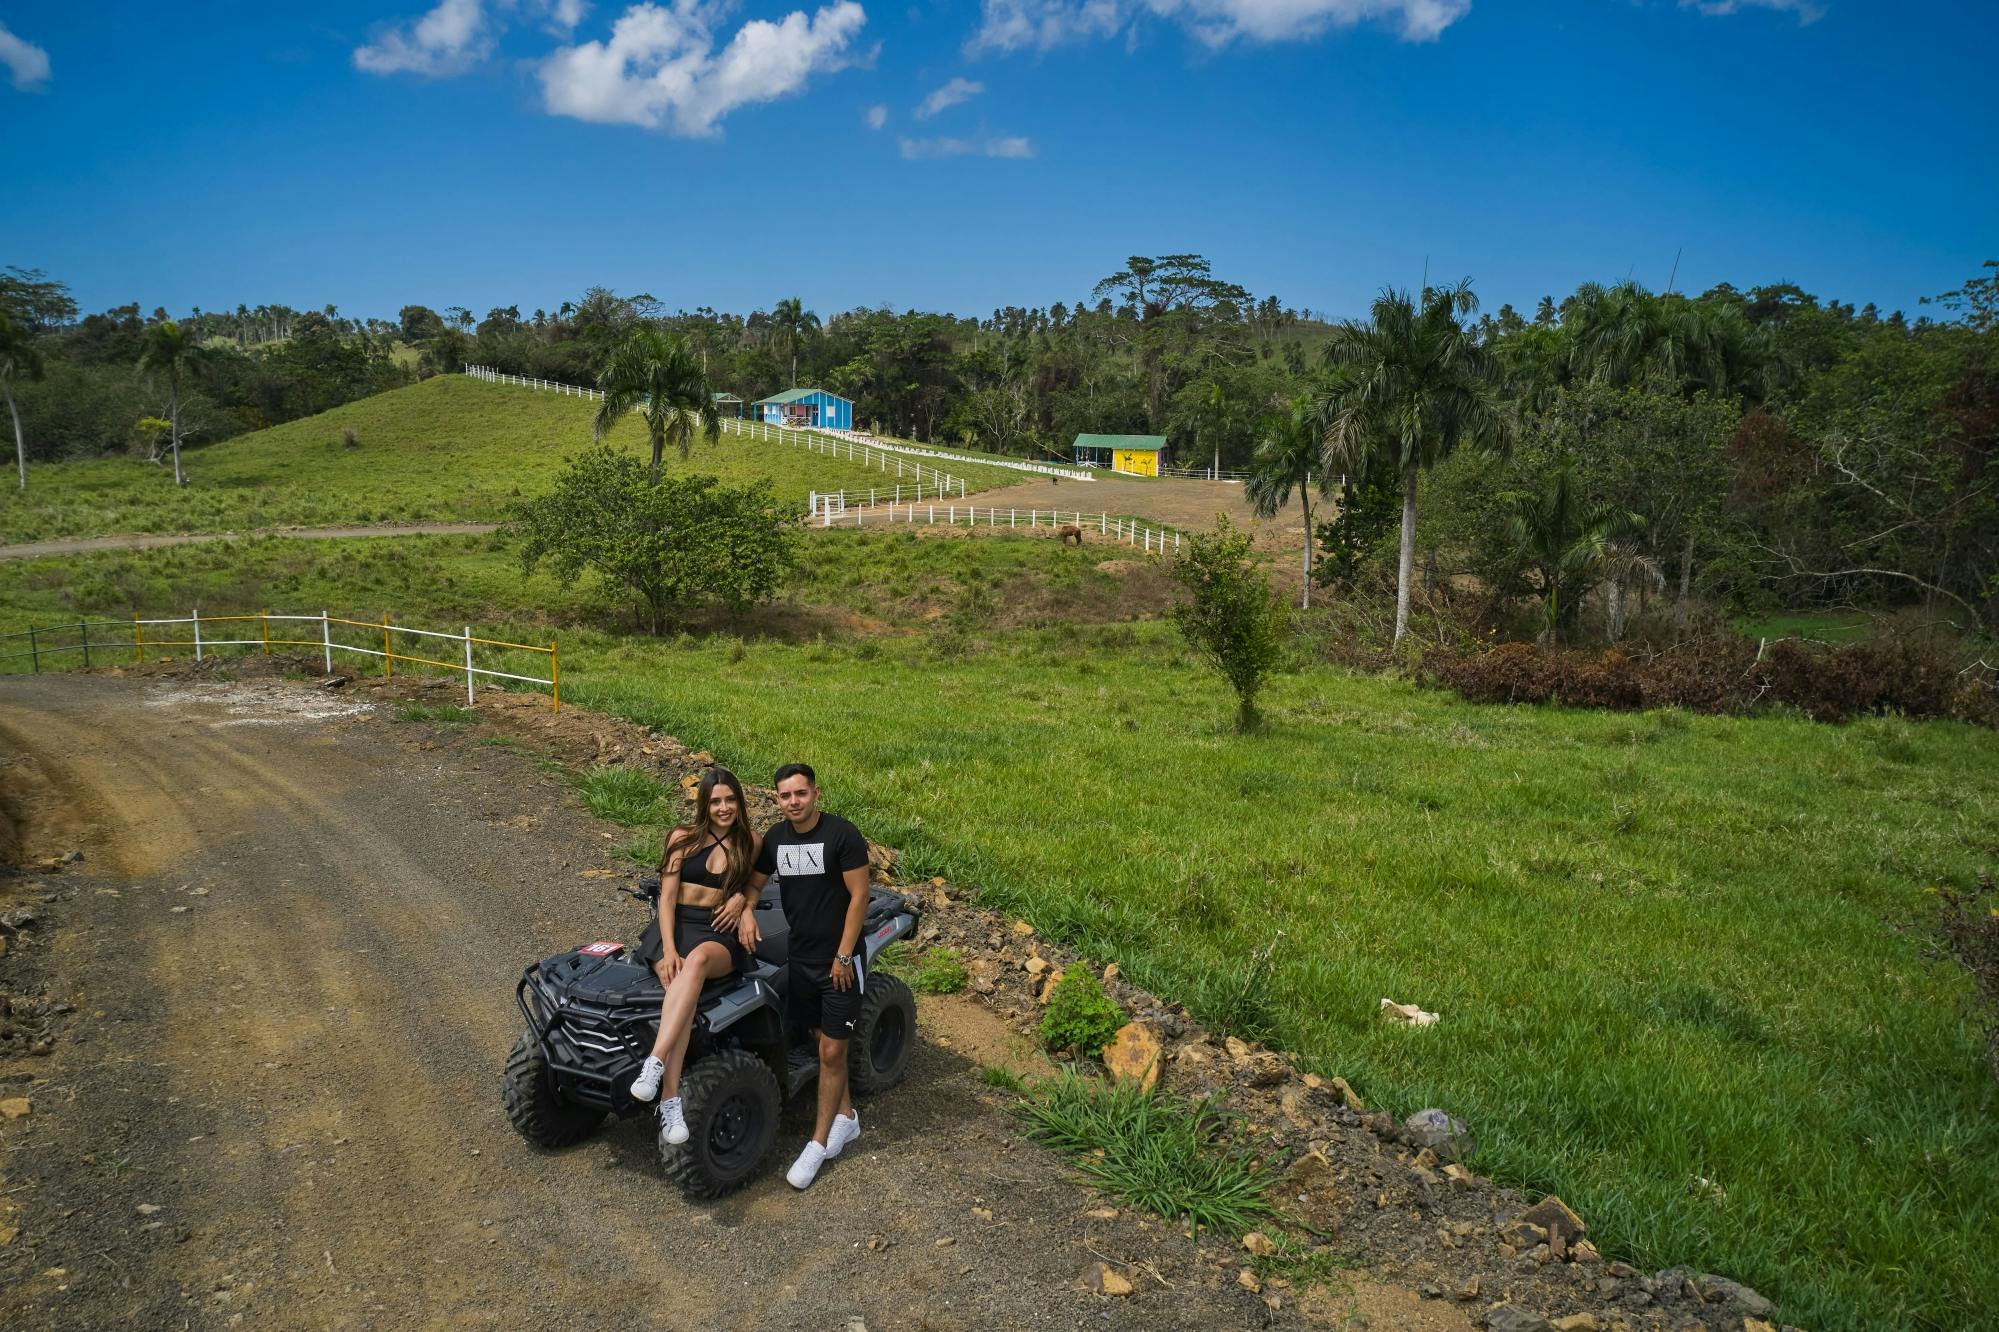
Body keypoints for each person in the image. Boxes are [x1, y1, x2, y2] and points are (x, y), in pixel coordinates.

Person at [741, 762, 872, 1190]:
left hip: (840, 962)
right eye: (785, 796)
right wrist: (745, 909)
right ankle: (846, 1117)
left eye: (800, 793)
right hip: (801, 959)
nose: (793, 802)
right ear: (777, 799)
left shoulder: (842, 835)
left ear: (816, 793)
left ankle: (816, 1145)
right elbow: (756, 886)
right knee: (820, 1042)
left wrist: (844, 955)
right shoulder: (776, 840)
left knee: (832, 1052)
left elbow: (859, 897)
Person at [628, 767, 761, 1148]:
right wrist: (668, 949)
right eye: (716, 801)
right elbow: (667, 899)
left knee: (697, 964)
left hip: (716, 934)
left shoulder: (750, 841)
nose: (724, 808)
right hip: (675, 929)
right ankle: (670, 1100)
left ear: (739, 802)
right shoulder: (681, 838)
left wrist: (743, 902)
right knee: (681, 988)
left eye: (730, 800)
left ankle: (654, 1062)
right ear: (704, 803)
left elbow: (755, 885)